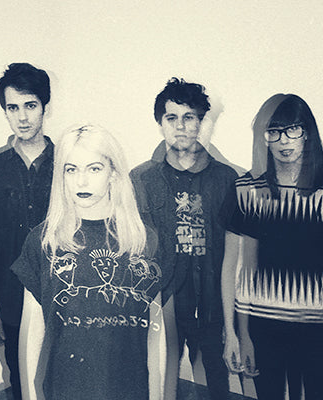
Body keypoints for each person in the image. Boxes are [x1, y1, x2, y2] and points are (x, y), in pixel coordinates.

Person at [12, 125, 177, 400]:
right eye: (71, 169)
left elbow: (155, 332)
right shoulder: (43, 241)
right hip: (66, 389)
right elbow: (32, 333)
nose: (81, 181)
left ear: (113, 173)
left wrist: (157, 396)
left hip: (128, 389)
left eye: (94, 169)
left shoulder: (146, 241)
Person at [221, 94, 323, 399]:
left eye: (292, 129)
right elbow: (231, 266)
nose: (284, 140)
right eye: (274, 131)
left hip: (318, 331)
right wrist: (233, 333)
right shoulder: (245, 192)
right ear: (264, 138)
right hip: (261, 329)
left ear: (307, 133)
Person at [130, 78, 236, 399]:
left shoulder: (227, 179)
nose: (180, 126)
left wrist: (232, 324)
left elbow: (235, 257)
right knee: (161, 384)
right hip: (164, 304)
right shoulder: (141, 179)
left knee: (218, 384)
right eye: (171, 118)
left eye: (189, 117)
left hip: (213, 304)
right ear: (160, 123)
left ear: (201, 122)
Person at [0, 62, 53, 400]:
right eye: (13, 107)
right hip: (12, 298)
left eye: (30, 105)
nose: (22, 117)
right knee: (21, 380)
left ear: (44, 106)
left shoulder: (67, 163)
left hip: (63, 295)